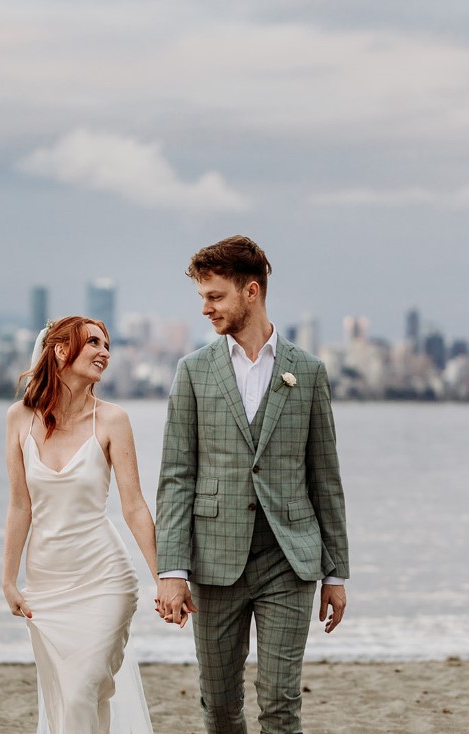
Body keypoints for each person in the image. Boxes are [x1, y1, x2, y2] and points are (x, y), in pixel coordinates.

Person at [154, 235, 349, 734]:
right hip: (214, 562)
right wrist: (171, 570)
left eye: (214, 296)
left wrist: (335, 573)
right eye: (201, 297)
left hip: (290, 558)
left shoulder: (307, 372)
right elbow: (176, 477)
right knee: (218, 706)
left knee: (281, 703)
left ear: (251, 291)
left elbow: (325, 478)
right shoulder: (193, 372)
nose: (205, 308)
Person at [2, 315, 158, 734]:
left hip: (104, 578)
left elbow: (135, 507)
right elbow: (20, 506)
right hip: (47, 586)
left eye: (107, 344)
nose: (104, 351)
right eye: (93, 342)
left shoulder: (112, 420)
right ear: (59, 350)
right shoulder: (19, 418)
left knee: (81, 692)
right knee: (72, 699)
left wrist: (165, 578)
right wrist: (8, 579)